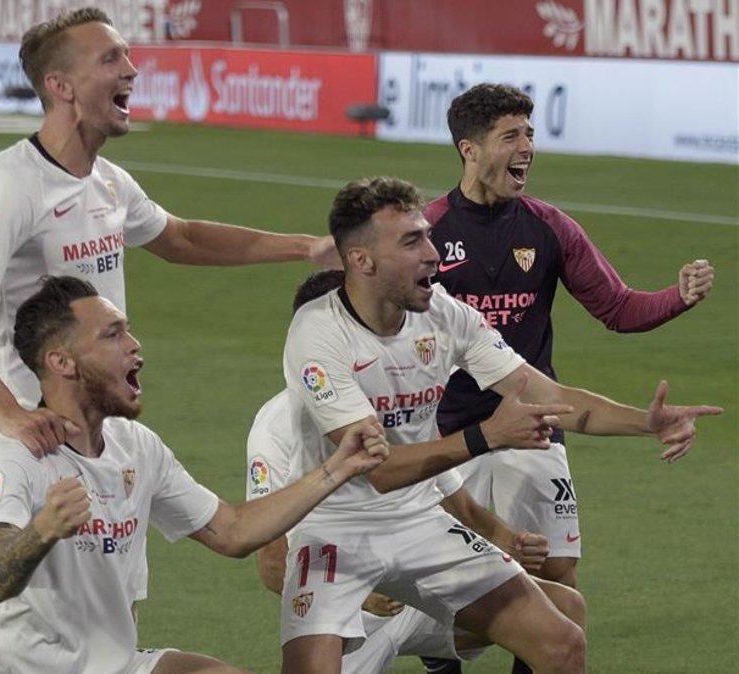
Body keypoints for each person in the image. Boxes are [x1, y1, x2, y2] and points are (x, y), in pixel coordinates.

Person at [278, 176, 721, 673]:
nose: (433, 253)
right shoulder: (318, 332)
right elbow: (374, 470)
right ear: (361, 261)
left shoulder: (445, 314)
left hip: (420, 521)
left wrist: (646, 422)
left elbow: (547, 396)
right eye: (411, 241)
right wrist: (485, 436)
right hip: (337, 530)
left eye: (427, 235)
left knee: (561, 639)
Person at [0, 7, 338, 458]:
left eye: (126, 55)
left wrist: (307, 247)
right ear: (61, 87)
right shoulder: (13, 184)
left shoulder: (107, 181)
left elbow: (181, 238)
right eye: (110, 60)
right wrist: (9, 414)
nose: (132, 69)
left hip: (100, 423)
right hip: (37, 435)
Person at [0, 275, 388, 673]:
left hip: (115, 663)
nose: (134, 345)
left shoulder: (136, 445)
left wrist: (338, 467)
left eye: (127, 329)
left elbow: (233, 531)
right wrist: (43, 529)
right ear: (62, 362)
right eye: (112, 334)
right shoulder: (16, 455)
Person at [429, 83, 715, 589]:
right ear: (469, 150)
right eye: (510, 136)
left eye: (530, 134)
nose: (527, 148)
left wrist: (678, 296)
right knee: (440, 583)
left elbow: (619, 308)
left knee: (556, 578)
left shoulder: (550, 228)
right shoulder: (427, 233)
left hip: (536, 422)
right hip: (445, 434)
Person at [247, 271, 584, 673]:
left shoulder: (395, 405)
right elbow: (271, 565)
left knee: (564, 608)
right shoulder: (277, 425)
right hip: (358, 613)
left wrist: (509, 539)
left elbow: (457, 502)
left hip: (416, 593)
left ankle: (439, 651)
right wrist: (369, 596)